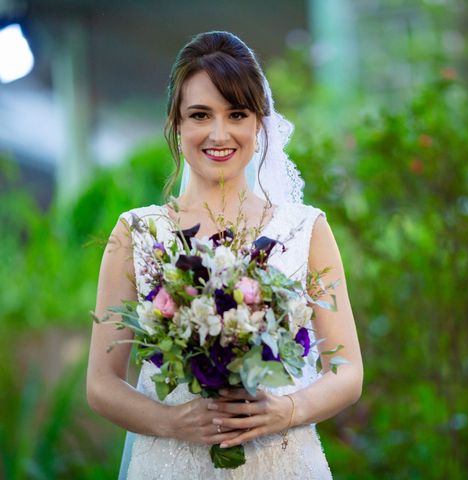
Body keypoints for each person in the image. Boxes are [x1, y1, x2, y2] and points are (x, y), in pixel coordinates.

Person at [86, 31, 363, 479]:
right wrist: (172, 422)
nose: (219, 133)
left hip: (281, 460)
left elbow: (348, 371)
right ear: (177, 123)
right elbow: (101, 385)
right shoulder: (137, 233)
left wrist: (288, 410)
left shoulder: (303, 229)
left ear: (259, 122)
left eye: (236, 113)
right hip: (170, 462)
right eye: (200, 115)